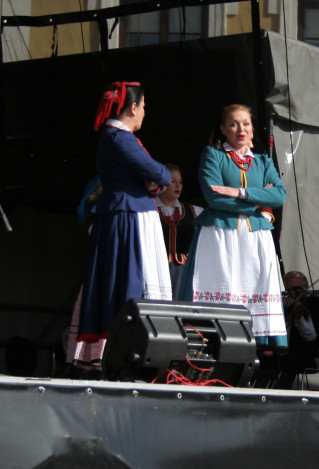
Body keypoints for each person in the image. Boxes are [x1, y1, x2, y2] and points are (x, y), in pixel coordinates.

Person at [72, 82, 172, 373]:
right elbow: (158, 172)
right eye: (143, 107)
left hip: (128, 212)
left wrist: (152, 181)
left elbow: (152, 177)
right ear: (132, 107)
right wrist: (157, 177)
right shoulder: (120, 138)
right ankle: (129, 348)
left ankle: (130, 347)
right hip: (128, 218)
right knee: (129, 277)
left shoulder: (116, 138)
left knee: (125, 278)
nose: (144, 113)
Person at [179, 104, 288, 349]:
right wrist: (258, 200)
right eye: (233, 124)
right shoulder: (213, 155)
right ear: (223, 129)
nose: (241, 129)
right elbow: (214, 197)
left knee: (253, 288)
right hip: (220, 234)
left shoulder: (262, 161)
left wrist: (238, 192)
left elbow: (279, 196)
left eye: (246, 123)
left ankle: (247, 350)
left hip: (255, 237)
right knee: (221, 285)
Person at [155, 163, 201, 297]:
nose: (178, 186)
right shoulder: (149, 211)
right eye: (172, 181)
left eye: (180, 182)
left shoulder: (194, 211)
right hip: (157, 266)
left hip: (183, 269)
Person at [275, 271, 319, 388]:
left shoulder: (313, 305)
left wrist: (299, 317)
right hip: (282, 352)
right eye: (288, 290)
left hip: (307, 354)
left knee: (287, 362)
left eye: (296, 289)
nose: (292, 293)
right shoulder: (285, 305)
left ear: (306, 286)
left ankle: (283, 392)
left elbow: (311, 336)